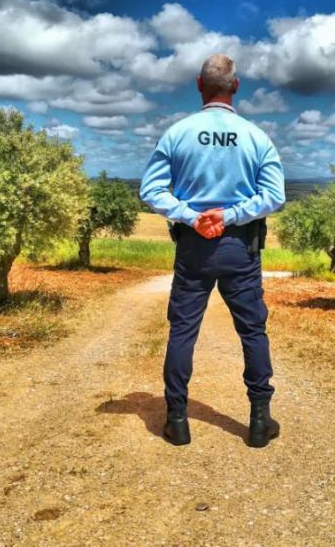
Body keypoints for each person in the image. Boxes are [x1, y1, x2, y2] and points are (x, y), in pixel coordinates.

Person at [139, 54, 286, 448]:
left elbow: (150, 190)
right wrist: (233, 213)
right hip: (241, 247)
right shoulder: (257, 136)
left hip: (193, 249)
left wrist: (192, 216)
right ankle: (259, 420)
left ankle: (177, 420)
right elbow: (274, 195)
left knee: (183, 330)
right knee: (252, 330)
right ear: (236, 87)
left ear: (199, 85)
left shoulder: (177, 133)